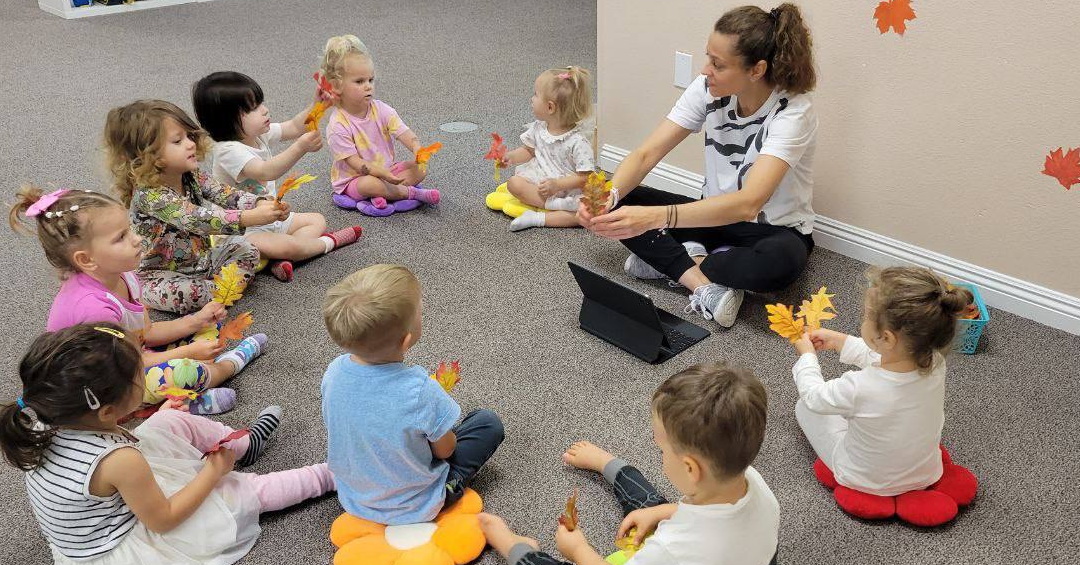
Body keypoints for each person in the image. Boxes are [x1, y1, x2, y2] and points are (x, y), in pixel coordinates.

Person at [0, 324, 334, 565]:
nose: (149, 376)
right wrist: (212, 473)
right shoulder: (118, 460)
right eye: (140, 376)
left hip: (115, 496)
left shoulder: (45, 417)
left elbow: (104, 441)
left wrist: (156, 417)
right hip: (129, 549)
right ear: (107, 411)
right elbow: (163, 519)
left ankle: (246, 445)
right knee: (238, 494)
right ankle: (332, 475)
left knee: (170, 420)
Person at [479, 363, 779, 565]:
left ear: (690, 468)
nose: (658, 453)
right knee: (654, 508)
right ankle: (606, 464)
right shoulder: (755, 485)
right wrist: (661, 512)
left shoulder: (675, 550)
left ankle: (513, 547)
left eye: (661, 450)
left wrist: (578, 550)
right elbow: (713, 523)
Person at [579, 4, 818, 328]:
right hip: (713, 217)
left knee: (776, 267)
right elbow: (646, 154)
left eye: (718, 65)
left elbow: (748, 204)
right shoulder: (707, 88)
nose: (706, 70)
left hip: (773, 230)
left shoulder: (793, 112)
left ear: (756, 70)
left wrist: (655, 219)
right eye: (708, 58)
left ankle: (679, 260)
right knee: (623, 201)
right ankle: (702, 285)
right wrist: (609, 195)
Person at [10, 185, 266, 415]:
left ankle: (184, 392)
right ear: (86, 259)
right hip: (102, 390)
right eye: (120, 237)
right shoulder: (94, 308)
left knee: (207, 326)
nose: (137, 239)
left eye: (129, 229)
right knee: (186, 372)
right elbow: (130, 364)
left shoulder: (125, 275)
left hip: (129, 356)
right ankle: (228, 367)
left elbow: (146, 333)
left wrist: (196, 320)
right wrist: (188, 352)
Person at [104, 100, 360, 307]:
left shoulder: (189, 174)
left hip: (202, 258)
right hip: (161, 274)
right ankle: (211, 292)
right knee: (191, 294)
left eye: (189, 136)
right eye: (178, 141)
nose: (191, 144)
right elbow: (198, 219)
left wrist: (261, 203)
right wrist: (250, 218)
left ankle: (218, 289)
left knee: (248, 251)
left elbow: (225, 193)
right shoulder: (151, 195)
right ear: (148, 156)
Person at [321, 264, 504, 524]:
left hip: (355, 498)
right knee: (487, 423)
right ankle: (446, 489)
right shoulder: (420, 389)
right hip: (418, 504)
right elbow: (445, 451)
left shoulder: (334, 372)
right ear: (406, 340)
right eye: (420, 310)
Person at [790, 266, 973, 495]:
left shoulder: (859, 387)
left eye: (867, 315)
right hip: (926, 473)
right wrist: (840, 341)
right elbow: (885, 356)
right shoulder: (936, 362)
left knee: (805, 407)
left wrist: (807, 357)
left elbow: (814, 397)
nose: (863, 319)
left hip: (863, 478)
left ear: (886, 338)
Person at [192, 71, 357, 283]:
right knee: (289, 245)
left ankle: (281, 259)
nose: (264, 110)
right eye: (253, 108)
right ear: (225, 120)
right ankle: (328, 243)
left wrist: (318, 105)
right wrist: (300, 147)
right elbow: (266, 170)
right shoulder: (227, 151)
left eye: (261, 103)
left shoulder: (258, 134)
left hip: (271, 218)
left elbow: (296, 126)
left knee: (317, 220)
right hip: (243, 230)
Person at [320, 35, 441, 216]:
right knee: (370, 184)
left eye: (371, 80)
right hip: (355, 179)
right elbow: (356, 163)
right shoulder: (338, 125)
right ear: (336, 87)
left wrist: (417, 148)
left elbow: (404, 133)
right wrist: (382, 175)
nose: (368, 86)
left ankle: (384, 193)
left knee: (420, 170)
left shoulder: (381, 109)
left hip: (387, 169)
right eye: (359, 81)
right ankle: (410, 193)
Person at [488, 65, 596, 232]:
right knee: (514, 183)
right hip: (540, 182)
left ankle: (538, 218)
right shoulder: (539, 128)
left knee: (586, 214)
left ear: (550, 107)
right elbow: (528, 150)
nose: (531, 99)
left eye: (536, 94)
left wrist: (557, 185)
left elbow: (585, 178)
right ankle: (553, 206)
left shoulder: (578, 142)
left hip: (567, 190)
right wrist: (510, 157)